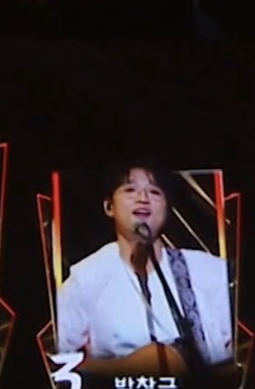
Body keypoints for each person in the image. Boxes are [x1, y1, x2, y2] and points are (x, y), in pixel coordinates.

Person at [54, 161, 235, 376]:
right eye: (130, 190)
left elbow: (241, 352)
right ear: (109, 207)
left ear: (167, 208)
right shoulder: (87, 276)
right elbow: (56, 357)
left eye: (154, 192)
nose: (143, 198)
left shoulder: (211, 271)